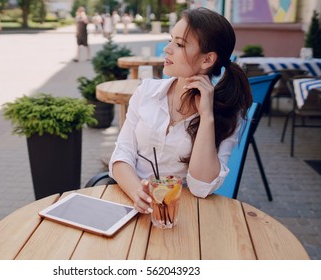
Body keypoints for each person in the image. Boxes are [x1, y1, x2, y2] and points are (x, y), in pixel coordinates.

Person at [108, 8, 252, 214]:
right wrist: (137, 193)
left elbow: (201, 187)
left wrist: (206, 117)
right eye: (170, 40)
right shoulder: (146, 92)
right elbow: (122, 154)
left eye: (179, 44)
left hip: (180, 213)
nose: (167, 49)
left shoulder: (227, 113)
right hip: (132, 203)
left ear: (207, 60)